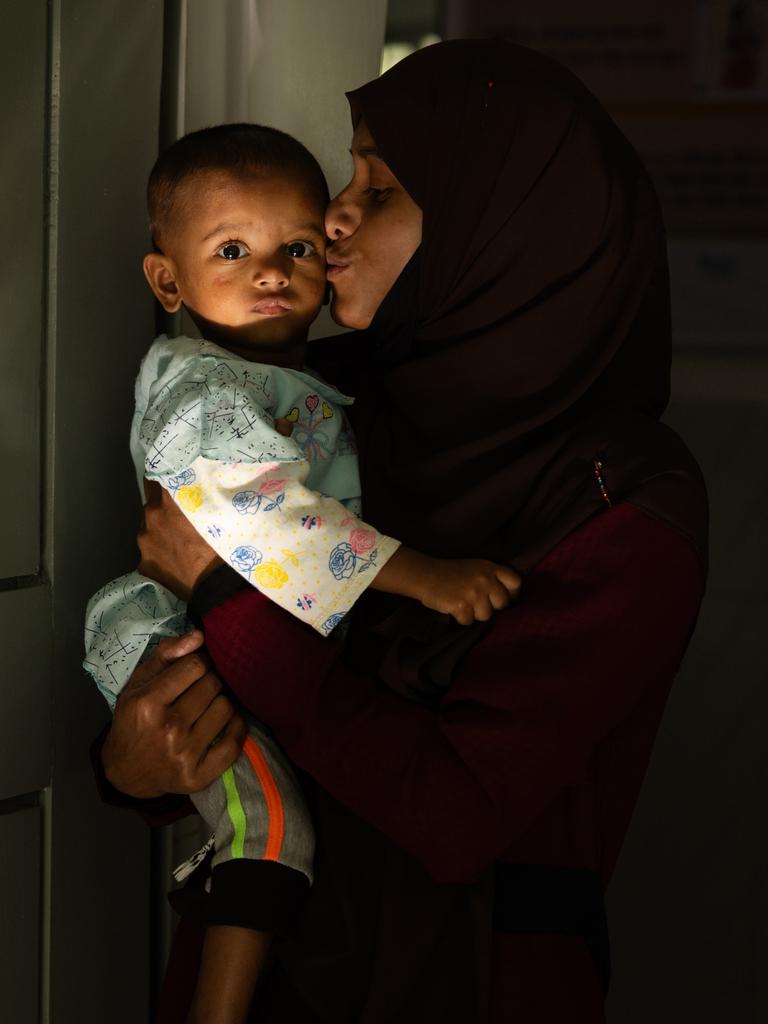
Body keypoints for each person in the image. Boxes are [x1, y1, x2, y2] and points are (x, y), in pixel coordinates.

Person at [95, 40, 708, 1023]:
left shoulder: (627, 505)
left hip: (469, 983)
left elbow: (455, 810)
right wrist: (135, 770)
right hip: (269, 965)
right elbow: (202, 703)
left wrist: (222, 590)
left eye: (379, 190)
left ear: (500, 229)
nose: (330, 214)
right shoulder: (327, 402)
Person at [85, 122, 518, 1024]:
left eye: (299, 247)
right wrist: (421, 577)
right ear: (167, 279)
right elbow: (265, 520)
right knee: (273, 830)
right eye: (232, 250)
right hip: (183, 644)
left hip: (241, 646)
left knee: (274, 828)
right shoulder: (204, 391)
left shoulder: (291, 373)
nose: (273, 272)